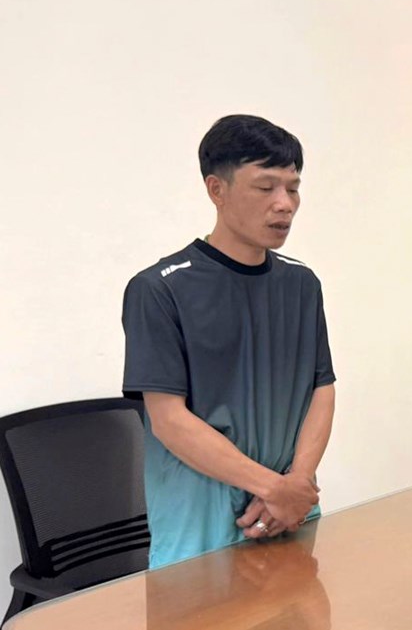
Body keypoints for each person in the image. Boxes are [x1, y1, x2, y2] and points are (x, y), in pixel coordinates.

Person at [122, 114, 336, 568]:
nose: (285, 205)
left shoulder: (301, 284)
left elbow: (322, 388)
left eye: (293, 188)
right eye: (266, 187)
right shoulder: (160, 289)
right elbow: (169, 420)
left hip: (289, 513)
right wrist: (274, 489)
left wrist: (296, 484)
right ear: (216, 189)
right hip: (201, 522)